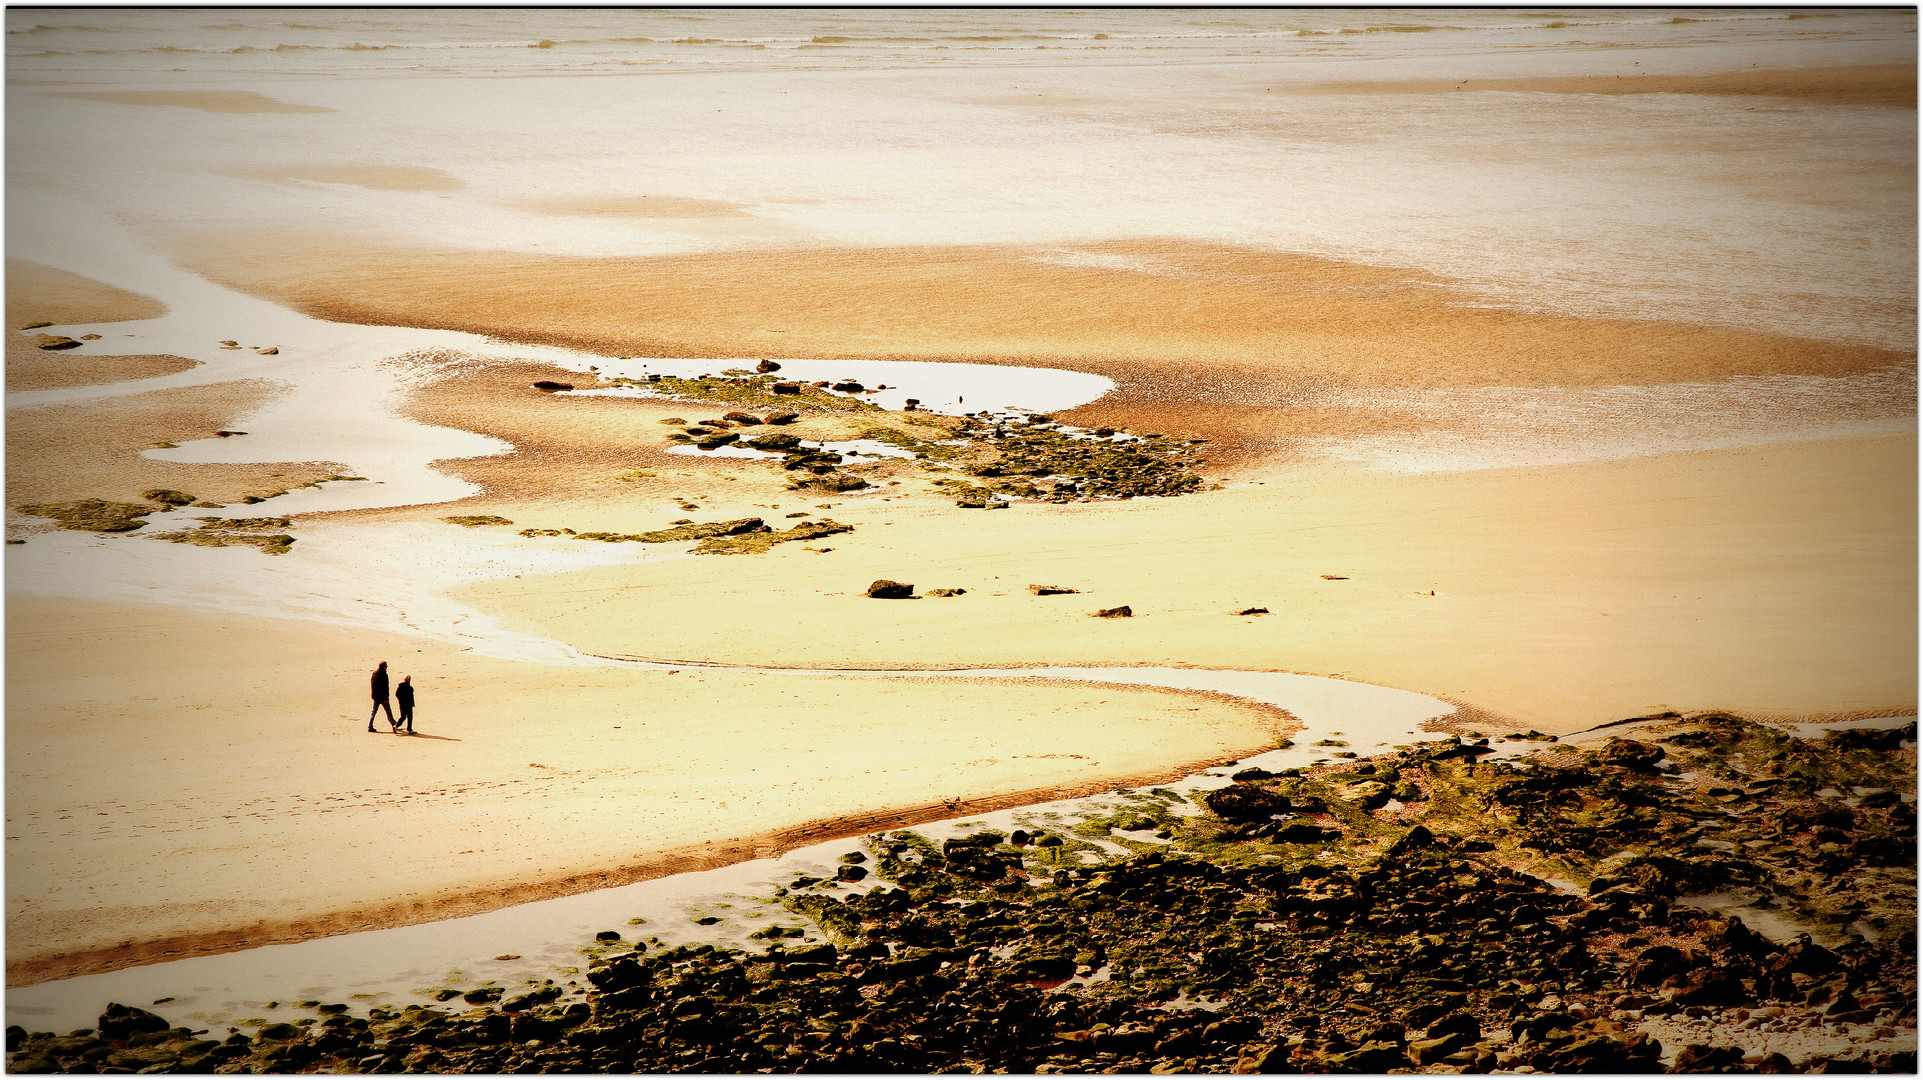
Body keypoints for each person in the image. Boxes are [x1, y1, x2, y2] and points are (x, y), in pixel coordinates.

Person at [368, 661, 397, 732]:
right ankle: (394, 725)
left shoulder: (374, 673)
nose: (386, 668)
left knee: (373, 711)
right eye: (386, 666)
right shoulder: (384, 675)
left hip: (375, 696)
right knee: (388, 711)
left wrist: (373, 695)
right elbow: (385, 688)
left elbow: (373, 685)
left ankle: (370, 726)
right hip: (382, 697)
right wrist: (386, 698)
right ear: (384, 667)